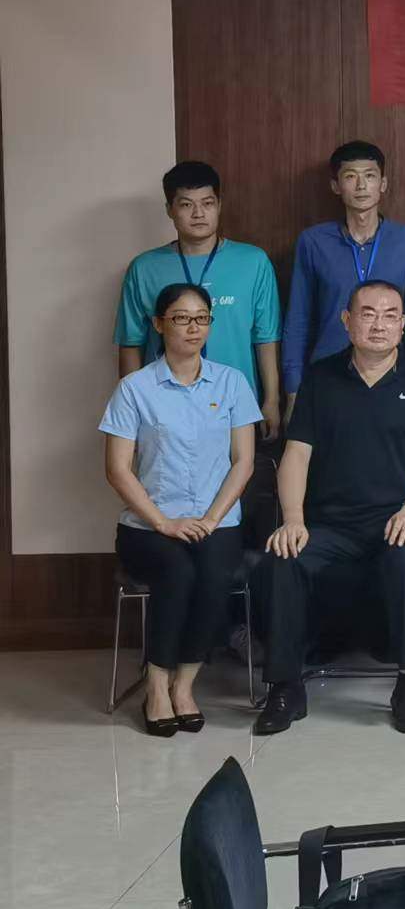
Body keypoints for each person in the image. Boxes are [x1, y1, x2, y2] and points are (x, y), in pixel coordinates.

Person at [254, 280, 405, 735]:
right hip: (332, 523)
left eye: (389, 315)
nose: (378, 324)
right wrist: (293, 519)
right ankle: (285, 687)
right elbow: (296, 455)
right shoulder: (321, 378)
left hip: (401, 515)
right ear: (347, 321)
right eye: (368, 314)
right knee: (283, 556)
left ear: (403, 325)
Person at [100, 283, 261, 736]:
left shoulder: (231, 382)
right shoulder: (135, 388)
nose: (193, 327)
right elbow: (117, 469)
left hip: (216, 522)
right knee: (178, 572)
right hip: (148, 526)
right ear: (159, 324)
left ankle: (185, 685)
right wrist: (164, 522)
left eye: (202, 318)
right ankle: (156, 686)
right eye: (181, 318)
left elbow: (243, 462)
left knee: (214, 575)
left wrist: (211, 519)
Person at [114, 160, 281, 440]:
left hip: (236, 406)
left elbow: (266, 337)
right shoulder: (144, 268)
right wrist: (131, 409)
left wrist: (272, 400)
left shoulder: (253, 262)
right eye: (186, 205)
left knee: (240, 468)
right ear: (170, 209)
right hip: (163, 411)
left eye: (207, 203)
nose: (198, 213)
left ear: (219, 205)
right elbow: (131, 343)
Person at [281, 141, 405, 427]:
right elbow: (298, 318)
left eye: (370, 176)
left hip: (394, 375)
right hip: (328, 374)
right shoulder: (313, 242)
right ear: (336, 186)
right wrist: (293, 390)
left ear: (383, 184)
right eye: (350, 176)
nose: (361, 185)